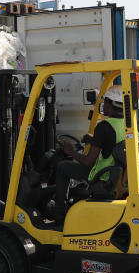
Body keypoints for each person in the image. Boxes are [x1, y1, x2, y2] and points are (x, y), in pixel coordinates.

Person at [51, 85, 126, 218]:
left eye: (106, 102)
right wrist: (94, 140)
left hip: (103, 178)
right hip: (119, 177)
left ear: (111, 104)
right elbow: (114, 144)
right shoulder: (128, 124)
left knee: (62, 167)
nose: (104, 105)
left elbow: (88, 162)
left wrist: (70, 151)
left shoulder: (104, 126)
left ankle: (59, 213)